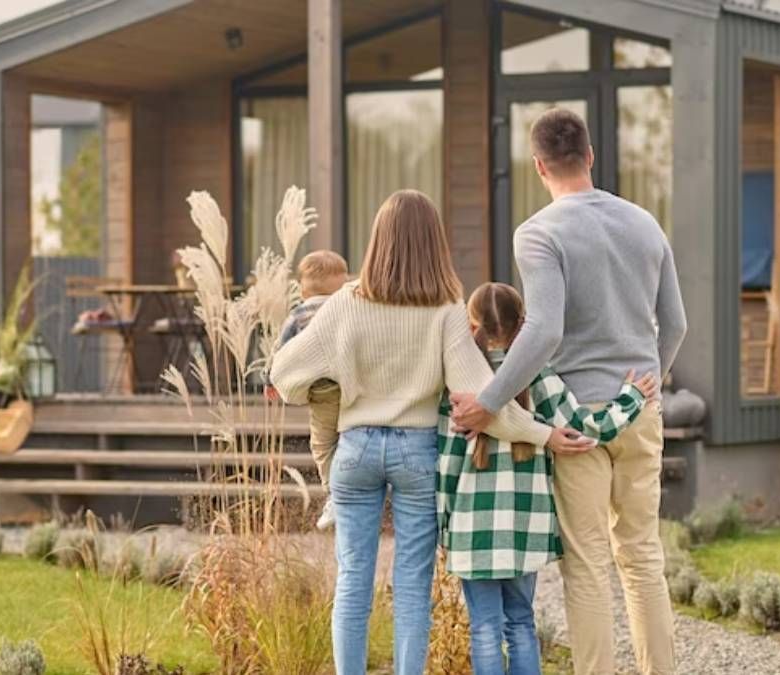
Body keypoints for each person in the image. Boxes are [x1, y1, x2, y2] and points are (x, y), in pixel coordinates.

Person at [270, 190, 593, 675]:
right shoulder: (445, 309)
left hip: (354, 451)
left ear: (378, 240)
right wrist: (543, 435)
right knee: (412, 585)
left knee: (353, 579)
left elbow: (283, 373)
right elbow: (484, 403)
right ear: (434, 244)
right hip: (417, 456)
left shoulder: (345, 302)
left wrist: (330, 387)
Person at [451, 108, 688, 675]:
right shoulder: (644, 224)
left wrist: (490, 403)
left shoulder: (538, 233)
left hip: (573, 423)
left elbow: (545, 330)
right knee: (642, 555)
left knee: (587, 565)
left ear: (538, 166)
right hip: (640, 409)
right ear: (589, 156)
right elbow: (674, 324)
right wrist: (649, 386)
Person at [437, 282, 659, 675]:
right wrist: (632, 397)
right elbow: (590, 429)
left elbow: (446, 462)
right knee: (520, 623)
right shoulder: (539, 374)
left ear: (471, 326)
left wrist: (445, 526)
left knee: (485, 630)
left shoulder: (458, 380)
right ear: (525, 325)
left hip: (473, 530)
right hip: (527, 526)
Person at [275, 249, 348, 531]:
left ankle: (335, 495)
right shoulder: (346, 310)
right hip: (354, 388)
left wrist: (271, 381)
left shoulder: (298, 314)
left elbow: (280, 353)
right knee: (349, 440)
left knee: (322, 445)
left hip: (322, 394)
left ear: (303, 290)